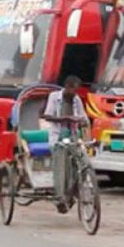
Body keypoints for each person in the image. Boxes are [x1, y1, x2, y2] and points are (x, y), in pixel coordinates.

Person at [42, 75, 90, 213]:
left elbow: (83, 117)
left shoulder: (76, 99)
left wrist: (82, 121)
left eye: (76, 90)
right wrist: (67, 118)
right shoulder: (54, 97)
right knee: (61, 166)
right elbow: (47, 116)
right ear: (67, 87)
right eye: (73, 89)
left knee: (84, 163)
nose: (74, 93)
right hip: (58, 137)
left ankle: (74, 191)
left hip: (73, 136)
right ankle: (60, 197)